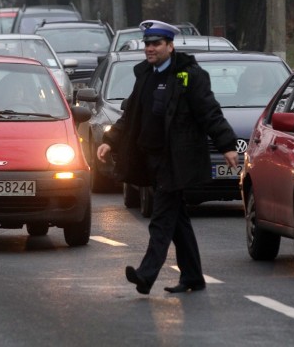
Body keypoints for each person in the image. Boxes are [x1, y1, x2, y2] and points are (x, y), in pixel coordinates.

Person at [97, 19, 238, 295]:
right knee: (178, 221)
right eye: (147, 44)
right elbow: (130, 116)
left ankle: (145, 275)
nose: (150, 49)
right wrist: (109, 140)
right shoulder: (146, 76)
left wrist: (227, 145)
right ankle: (193, 277)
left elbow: (209, 111)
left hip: (175, 161)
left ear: (170, 46)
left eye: (156, 44)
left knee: (161, 219)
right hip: (150, 159)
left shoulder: (189, 75)